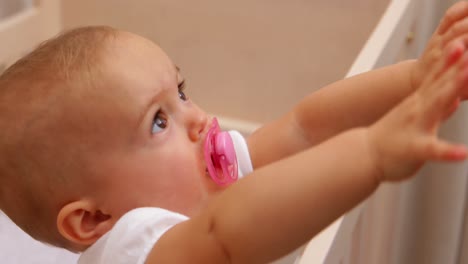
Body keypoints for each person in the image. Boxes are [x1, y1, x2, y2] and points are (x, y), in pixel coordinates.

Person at [2, 2, 468, 263]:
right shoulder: (130, 246)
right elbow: (223, 238)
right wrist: (371, 154)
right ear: (94, 220)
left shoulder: (200, 179)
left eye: (181, 93)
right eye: (159, 121)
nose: (199, 119)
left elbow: (303, 128)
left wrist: (413, 78)